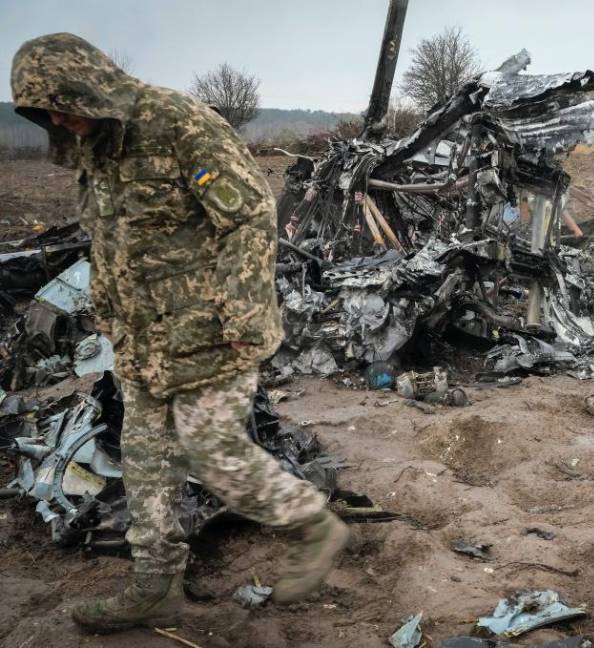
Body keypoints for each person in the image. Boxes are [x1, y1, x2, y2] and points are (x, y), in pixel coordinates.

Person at [10, 33, 349, 633]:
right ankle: (154, 586)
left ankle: (312, 524)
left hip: (211, 333)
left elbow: (247, 215)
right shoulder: (98, 148)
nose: (58, 119)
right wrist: (107, 313)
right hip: (145, 344)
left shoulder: (176, 123)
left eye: (63, 103)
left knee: (212, 453)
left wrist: (242, 316)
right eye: (44, 112)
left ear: (91, 88)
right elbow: (110, 241)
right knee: (145, 465)